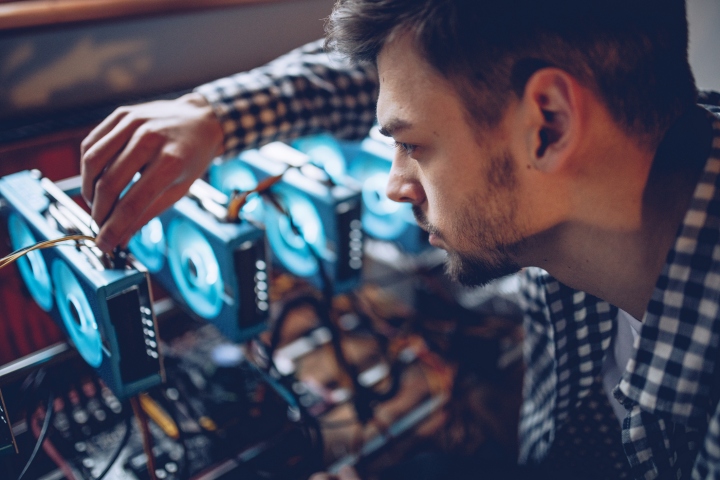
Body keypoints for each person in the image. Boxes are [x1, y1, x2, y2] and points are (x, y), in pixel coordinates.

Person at [80, 0, 720, 478]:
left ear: (547, 125)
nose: (395, 186)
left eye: (413, 147)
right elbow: (421, 81)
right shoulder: (609, 189)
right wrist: (213, 116)